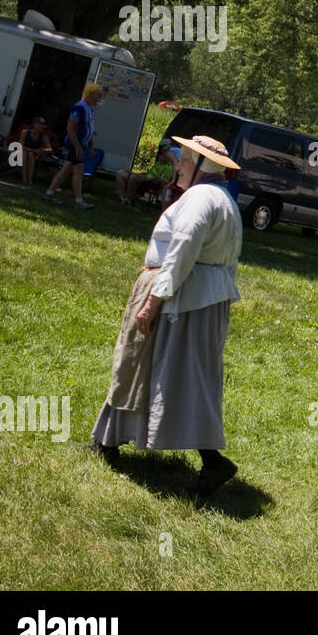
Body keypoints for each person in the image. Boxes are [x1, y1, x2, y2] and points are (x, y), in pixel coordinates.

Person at [89, 134, 244, 497]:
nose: (180, 166)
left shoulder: (200, 197)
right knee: (180, 376)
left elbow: (182, 249)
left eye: (185, 161)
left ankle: (210, 460)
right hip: (203, 300)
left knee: (142, 364)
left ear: (201, 166)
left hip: (180, 299)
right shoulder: (224, 199)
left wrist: (153, 302)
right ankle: (108, 441)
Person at [43, 83, 104, 209]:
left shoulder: (91, 108)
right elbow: (70, 128)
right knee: (78, 171)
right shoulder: (79, 107)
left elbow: (88, 127)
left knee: (65, 170)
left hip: (82, 144)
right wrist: (77, 147)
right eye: (98, 94)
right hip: (75, 144)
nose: (100, 96)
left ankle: (49, 193)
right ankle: (79, 201)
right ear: (91, 94)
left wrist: (91, 143)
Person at [115, 145, 180, 205]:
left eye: (160, 155)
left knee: (133, 177)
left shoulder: (168, 167)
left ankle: (128, 200)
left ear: (166, 156)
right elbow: (149, 173)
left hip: (150, 183)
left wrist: (148, 178)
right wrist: (135, 173)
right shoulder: (158, 163)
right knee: (120, 173)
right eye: (158, 154)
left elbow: (163, 182)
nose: (158, 156)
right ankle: (122, 198)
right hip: (145, 177)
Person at [20, 117, 54, 186]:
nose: (43, 126)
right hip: (24, 153)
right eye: (41, 124)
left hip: (35, 156)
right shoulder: (25, 132)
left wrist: (43, 149)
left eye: (44, 124)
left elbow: (50, 149)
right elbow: (20, 146)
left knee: (31, 155)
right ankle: (24, 179)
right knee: (25, 153)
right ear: (35, 124)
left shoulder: (44, 136)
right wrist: (34, 150)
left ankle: (29, 180)